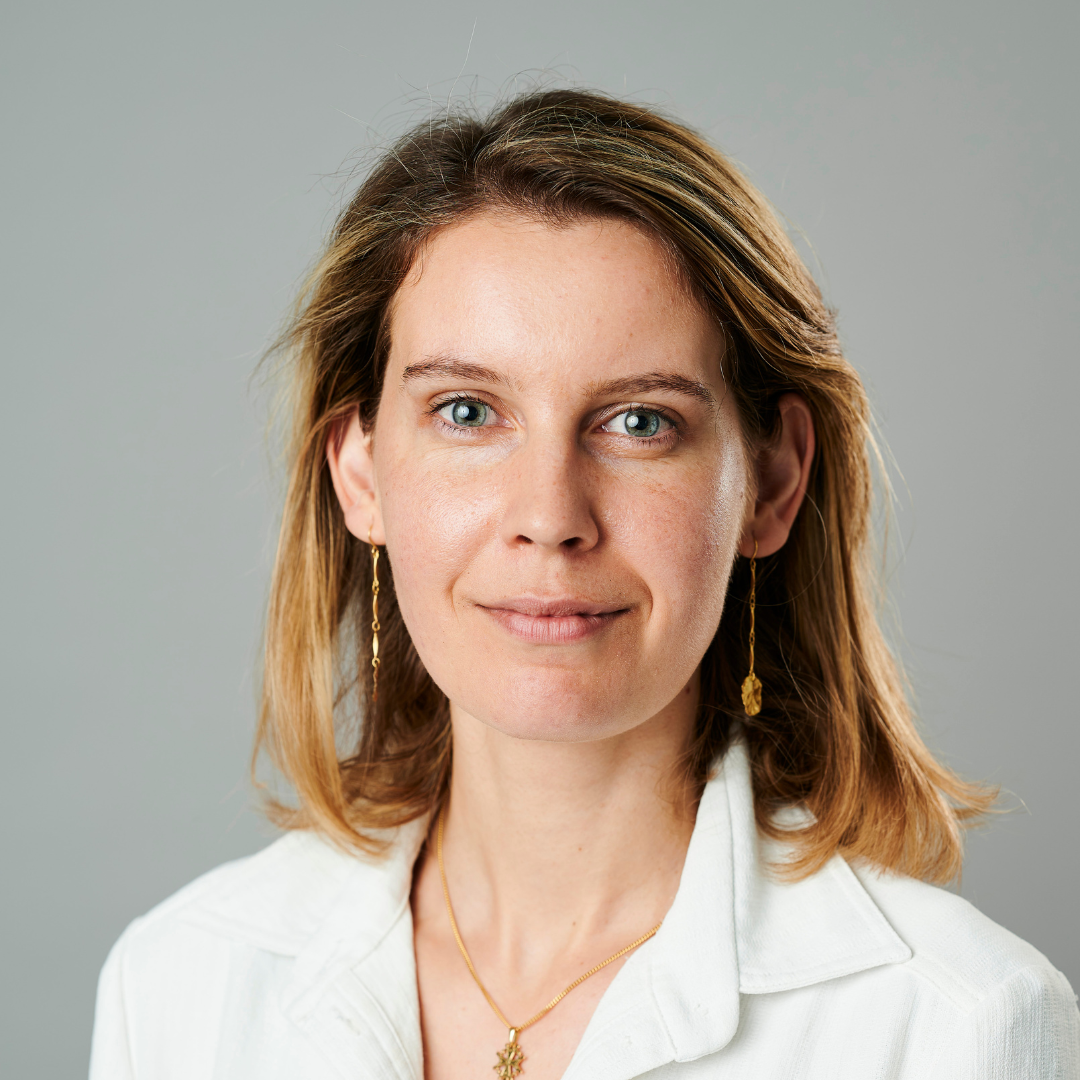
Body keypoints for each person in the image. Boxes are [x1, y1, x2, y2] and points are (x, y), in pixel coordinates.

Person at [89, 89, 1080, 1080]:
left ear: (772, 483)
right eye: (469, 411)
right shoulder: (183, 985)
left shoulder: (957, 1025)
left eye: (640, 422)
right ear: (359, 472)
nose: (551, 515)